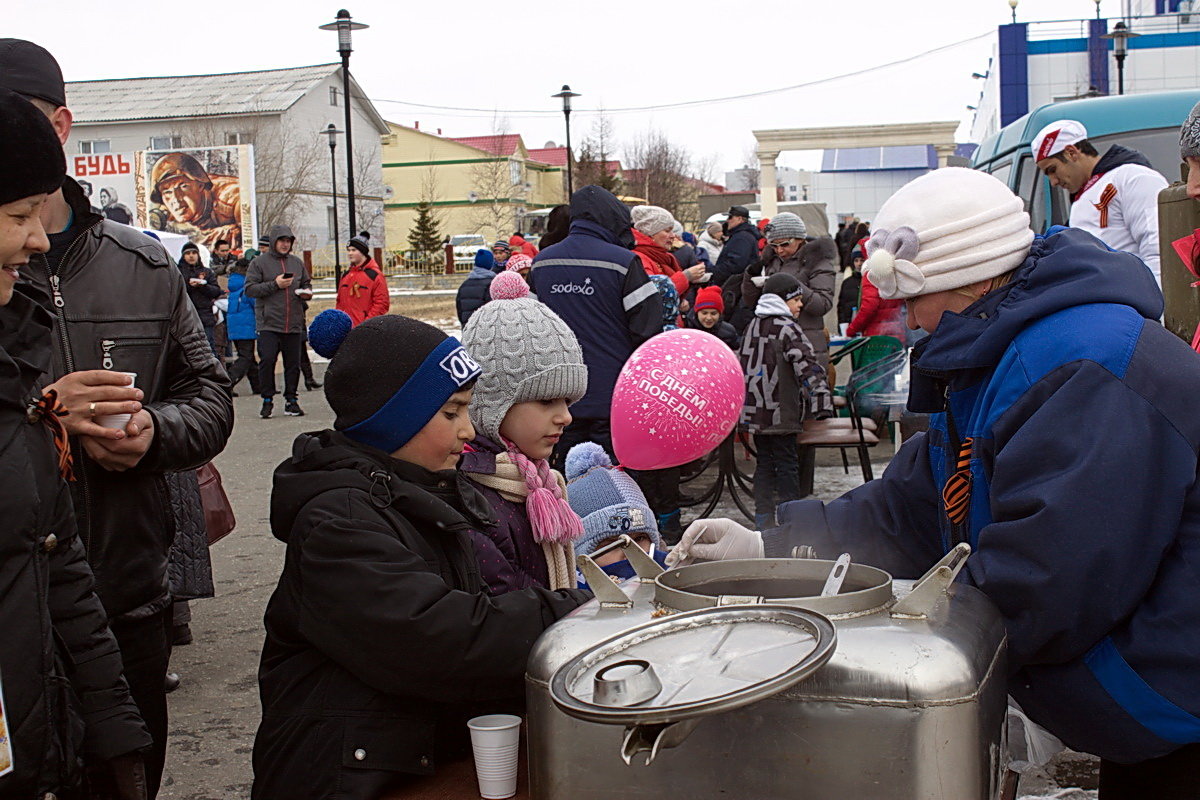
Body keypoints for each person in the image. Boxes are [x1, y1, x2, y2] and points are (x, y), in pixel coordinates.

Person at [673, 167, 1200, 800]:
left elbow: (1045, 581)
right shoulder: (1003, 350)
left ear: (965, 279)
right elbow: (914, 504)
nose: (907, 318)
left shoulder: (1081, 366)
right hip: (1145, 708)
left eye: (912, 297)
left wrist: (911, 652)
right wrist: (770, 549)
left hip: (1174, 699)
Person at [3, 40, 234, 797]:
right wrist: (46, 417)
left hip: (124, 587)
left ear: (60, 125)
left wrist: (152, 435)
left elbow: (210, 396)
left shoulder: (142, 263)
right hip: (16, 610)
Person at [252, 310, 590, 799]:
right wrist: (573, 612)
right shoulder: (337, 520)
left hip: (411, 753)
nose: (470, 430)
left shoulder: (434, 491)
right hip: (344, 777)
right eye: (451, 412)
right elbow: (437, 638)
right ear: (394, 419)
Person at [0, 84, 152, 800]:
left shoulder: (17, 385)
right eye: (19, 215)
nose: (37, 238)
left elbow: (57, 574)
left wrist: (115, 729)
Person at [459, 272, 587, 594]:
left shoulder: (534, 479)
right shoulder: (475, 504)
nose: (566, 416)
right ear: (491, 404)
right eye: (546, 400)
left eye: (568, 400)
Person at [529, 185, 663, 465]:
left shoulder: (541, 264)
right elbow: (649, 335)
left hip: (559, 400)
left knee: (566, 479)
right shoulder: (625, 263)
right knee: (615, 479)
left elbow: (529, 327)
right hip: (613, 399)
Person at [739, 272, 833, 528]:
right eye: (796, 300)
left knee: (765, 465)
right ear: (782, 300)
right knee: (788, 465)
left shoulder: (752, 326)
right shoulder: (787, 328)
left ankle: (763, 519)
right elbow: (808, 366)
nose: (800, 305)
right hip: (782, 411)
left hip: (756, 413)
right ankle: (792, 521)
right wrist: (822, 401)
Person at [1032, 119, 1168, 284]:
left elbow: (1159, 249)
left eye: (1052, 170)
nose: (1053, 181)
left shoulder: (1132, 177)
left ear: (1071, 152)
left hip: (1139, 300)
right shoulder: (1083, 196)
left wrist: (1156, 306)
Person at [742, 212, 837, 370]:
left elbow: (822, 304)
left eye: (785, 244)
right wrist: (750, 276)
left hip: (806, 342)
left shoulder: (818, 262)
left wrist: (790, 284)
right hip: (773, 343)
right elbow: (752, 302)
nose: (779, 250)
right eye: (774, 245)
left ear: (799, 239)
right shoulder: (770, 262)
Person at [565, 442, 668, 586]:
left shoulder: (669, 571)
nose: (630, 554)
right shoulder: (574, 591)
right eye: (612, 544)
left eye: (639, 538)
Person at [245, 224, 311, 418]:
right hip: (269, 323)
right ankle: (267, 399)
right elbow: (250, 289)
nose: (285, 244)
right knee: (267, 361)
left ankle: (291, 400)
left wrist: (306, 293)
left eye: (288, 241)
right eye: (281, 240)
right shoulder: (259, 263)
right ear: (274, 242)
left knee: (293, 364)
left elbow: (306, 283)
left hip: (293, 322)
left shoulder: (297, 263)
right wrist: (275, 284)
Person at [148, 151, 241, 248]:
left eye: (183, 186)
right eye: (167, 192)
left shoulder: (232, 197)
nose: (176, 199)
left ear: (200, 185)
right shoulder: (165, 214)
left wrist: (233, 232)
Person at [630, 205, 702, 297]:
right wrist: (686, 276)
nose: (673, 236)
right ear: (651, 233)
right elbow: (653, 295)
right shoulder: (640, 259)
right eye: (667, 231)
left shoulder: (662, 256)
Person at [178, 240, 222, 358]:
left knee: (208, 348)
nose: (191, 256)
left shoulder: (207, 272)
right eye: (188, 253)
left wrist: (203, 286)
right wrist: (189, 285)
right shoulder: (178, 272)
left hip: (205, 315)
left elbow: (216, 291)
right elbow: (176, 292)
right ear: (183, 256)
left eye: (194, 253)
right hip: (185, 316)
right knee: (188, 350)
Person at [336, 232, 390, 326]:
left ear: (362, 252)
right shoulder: (346, 275)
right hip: (345, 329)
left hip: (365, 330)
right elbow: (339, 303)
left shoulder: (374, 275)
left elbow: (382, 304)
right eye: (348, 250)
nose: (350, 253)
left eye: (353, 250)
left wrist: (366, 324)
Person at [225, 255, 259, 396]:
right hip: (246, 326)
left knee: (248, 358)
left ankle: (259, 386)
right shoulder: (247, 286)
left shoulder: (234, 285)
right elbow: (256, 304)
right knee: (245, 357)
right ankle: (228, 381)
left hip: (235, 327)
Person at [711, 205, 762, 288]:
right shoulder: (739, 235)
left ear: (739, 219)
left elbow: (735, 266)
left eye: (730, 217)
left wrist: (713, 271)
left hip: (736, 287)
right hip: (738, 284)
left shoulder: (742, 238)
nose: (727, 220)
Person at [685, 284, 739, 349]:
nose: (709, 318)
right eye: (704, 313)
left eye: (713, 314)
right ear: (697, 313)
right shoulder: (686, 328)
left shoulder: (729, 332)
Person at [455, 247, 496, 326]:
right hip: (485, 329)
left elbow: (459, 310)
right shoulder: (491, 285)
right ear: (490, 264)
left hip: (468, 329)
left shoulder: (464, 285)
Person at [837, 245, 863, 332]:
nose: (859, 263)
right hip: (850, 326)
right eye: (856, 261)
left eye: (862, 260)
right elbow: (841, 306)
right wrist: (841, 325)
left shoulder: (871, 280)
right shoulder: (847, 282)